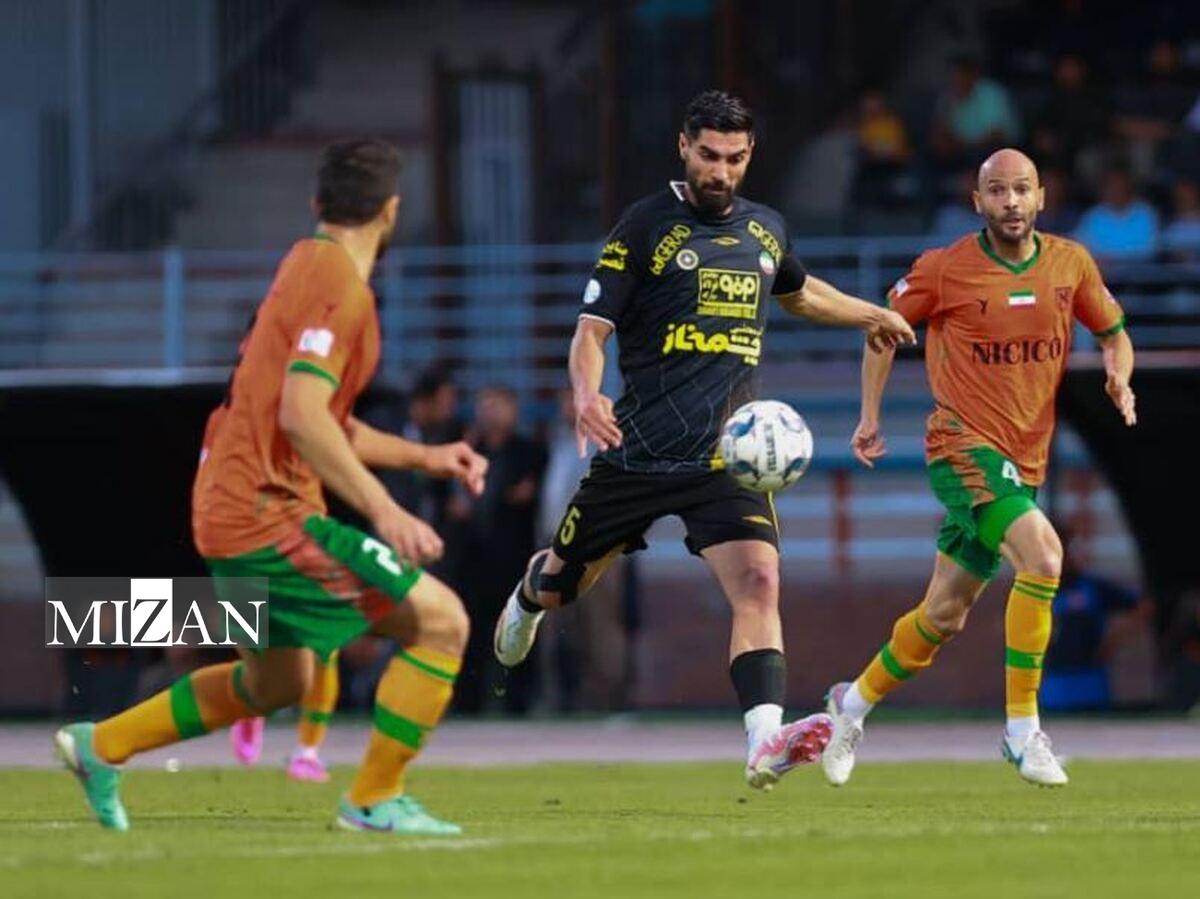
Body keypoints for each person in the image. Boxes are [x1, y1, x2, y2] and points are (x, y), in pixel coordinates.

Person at [55, 138, 489, 835]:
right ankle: (374, 797)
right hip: (266, 512)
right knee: (443, 622)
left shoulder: (303, 264)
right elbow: (302, 414)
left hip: (226, 505)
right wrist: (385, 509)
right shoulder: (341, 290)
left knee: (277, 682)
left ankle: (100, 746)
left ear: (318, 204)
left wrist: (426, 457)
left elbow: (319, 417)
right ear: (391, 211)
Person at [491, 90, 916, 791]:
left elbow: (799, 292)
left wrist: (871, 314)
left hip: (726, 456)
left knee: (759, 581)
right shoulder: (644, 227)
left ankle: (763, 742)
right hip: (637, 449)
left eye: (735, 159)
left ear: (750, 157)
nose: (721, 171)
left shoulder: (766, 230)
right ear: (683, 148)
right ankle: (528, 600)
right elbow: (590, 331)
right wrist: (586, 393)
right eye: (709, 156)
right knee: (563, 586)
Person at [822, 148, 1137, 789]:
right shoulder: (945, 269)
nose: (1011, 202)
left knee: (943, 616)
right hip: (961, 447)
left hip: (1024, 461)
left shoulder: (1071, 263)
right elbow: (883, 328)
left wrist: (1118, 374)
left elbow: (1114, 332)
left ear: (1041, 197)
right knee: (1044, 556)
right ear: (978, 201)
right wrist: (869, 415)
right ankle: (1022, 732)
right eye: (997, 191)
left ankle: (848, 707)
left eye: (1022, 189)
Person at [455, 386, 547, 714]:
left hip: (514, 559)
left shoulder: (529, 451)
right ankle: (468, 703)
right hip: (473, 560)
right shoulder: (470, 450)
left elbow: (529, 496)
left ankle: (518, 703)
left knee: (518, 628)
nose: (491, 413)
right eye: (486, 405)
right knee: (473, 633)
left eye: (499, 405)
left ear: (514, 410)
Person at [1073, 166, 1160, 262]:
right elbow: (1083, 250)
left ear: (1129, 187)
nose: (1116, 191)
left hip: (1141, 269)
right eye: (1112, 187)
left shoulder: (1146, 214)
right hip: (1103, 270)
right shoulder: (1092, 216)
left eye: (1120, 186)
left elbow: (1152, 250)